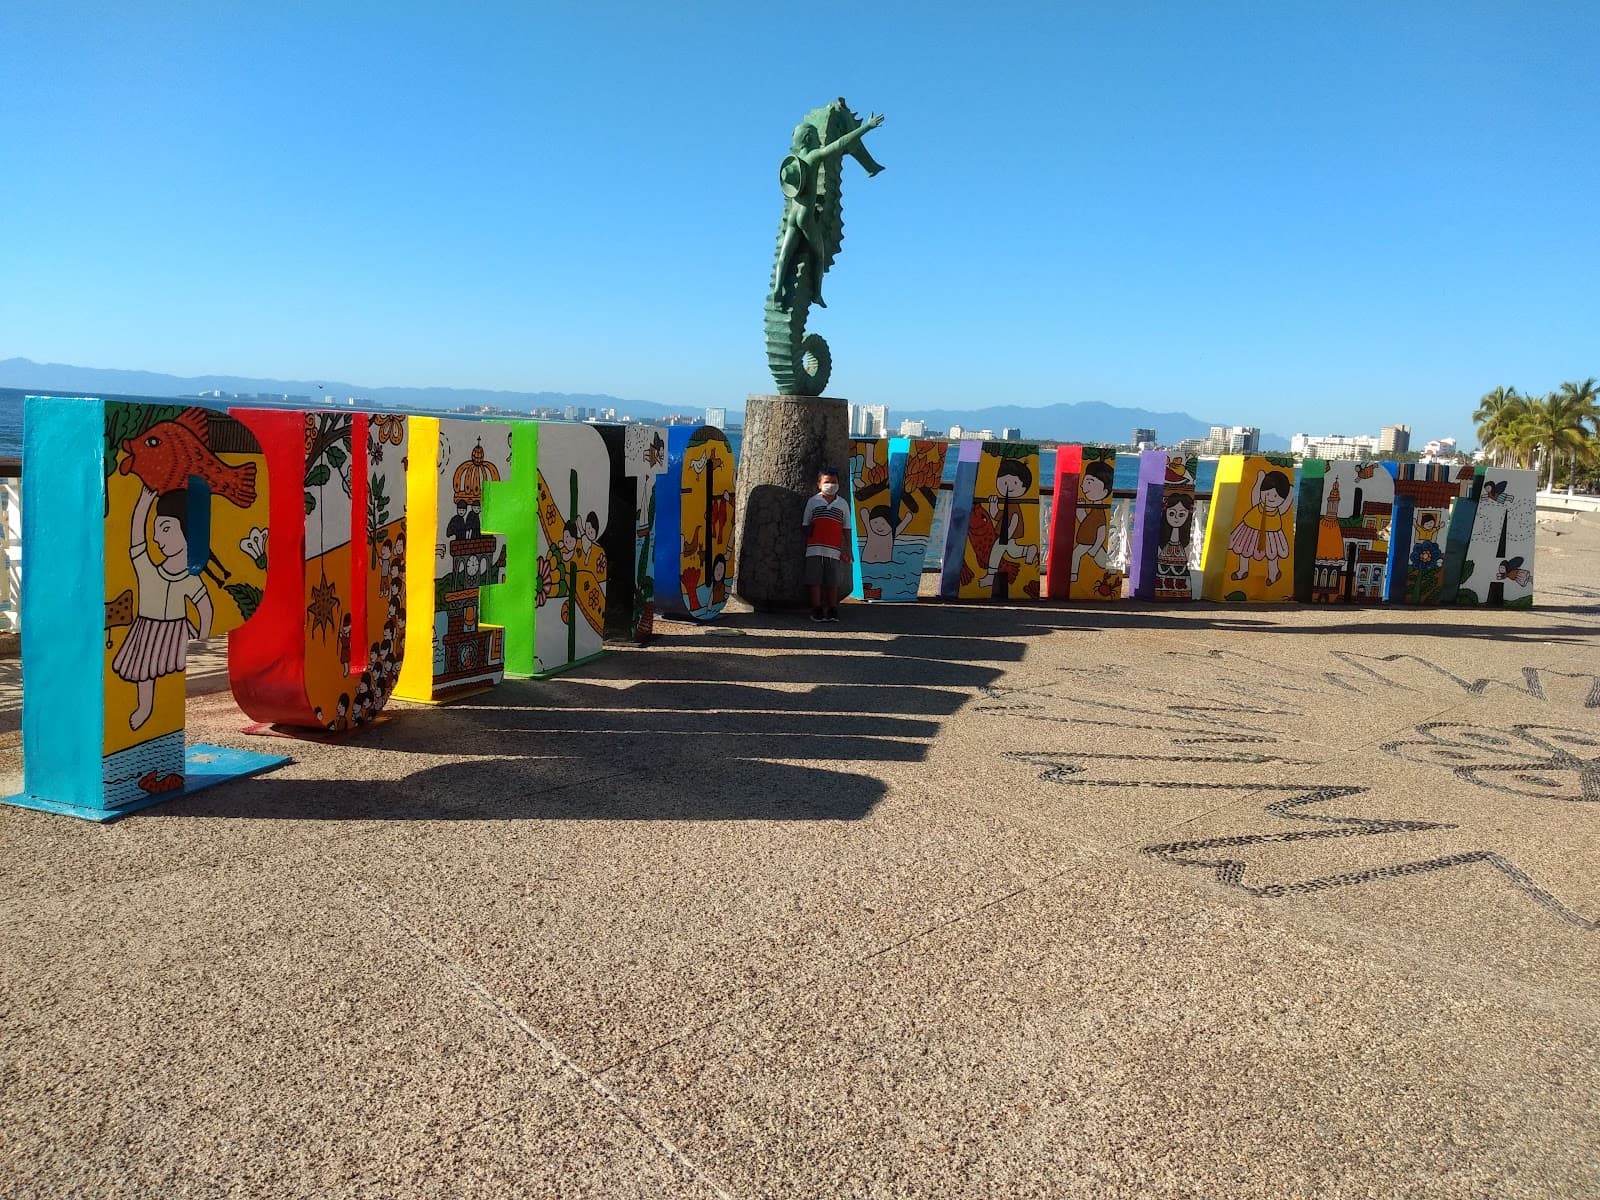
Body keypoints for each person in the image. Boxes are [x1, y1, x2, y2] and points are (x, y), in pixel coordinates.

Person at [112, 486, 214, 731]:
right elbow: (137, 540)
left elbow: (205, 607)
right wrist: (143, 504)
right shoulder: (148, 570)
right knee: (143, 670)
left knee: (167, 673)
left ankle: (162, 712)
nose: (157, 538)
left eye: (166, 529)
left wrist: (204, 633)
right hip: (148, 629)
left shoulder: (191, 578)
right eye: (157, 530)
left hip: (176, 630)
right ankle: (145, 707)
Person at [801, 467, 853, 622]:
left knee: (832, 581)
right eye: (827, 482)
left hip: (834, 549)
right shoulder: (813, 501)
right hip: (814, 549)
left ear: (839, 484)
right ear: (819, 484)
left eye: (834, 482)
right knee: (814, 580)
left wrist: (848, 548)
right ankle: (816, 609)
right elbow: (806, 523)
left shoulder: (842, 504)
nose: (830, 485)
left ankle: (832, 608)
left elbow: (847, 527)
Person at [1229, 468, 1294, 586]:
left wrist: (1290, 495)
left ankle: (1273, 573)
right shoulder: (1258, 504)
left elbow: (1285, 507)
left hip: (1271, 534)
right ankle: (1243, 570)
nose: (1271, 498)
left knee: (1272, 554)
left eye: (1276, 495)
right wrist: (1259, 481)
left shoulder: (1277, 510)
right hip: (1250, 530)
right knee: (1244, 550)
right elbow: (1254, 494)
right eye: (1267, 493)